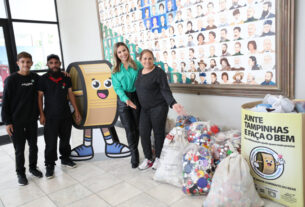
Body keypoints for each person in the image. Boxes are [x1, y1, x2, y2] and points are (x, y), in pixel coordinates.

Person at [135, 49, 184, 170]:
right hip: (145, 109)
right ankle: (148, 158)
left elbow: (165, 90)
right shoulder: (139, 72)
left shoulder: (159, 72)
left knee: (158, 133)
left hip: (158, 107)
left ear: (153, 59)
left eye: (150, 58)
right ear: (140, 60)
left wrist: (173, 103)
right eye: (145, 58)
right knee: (144, 132)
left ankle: (158, 158)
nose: (147, 61)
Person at [1, 52, 43, 185]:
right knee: (19, 149)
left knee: (33, 146)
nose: (26, 64)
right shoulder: (11, 80)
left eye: (28, 62)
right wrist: (7, 122)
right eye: (23, 62)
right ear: (18, 63)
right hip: (16, 121)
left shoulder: (35, 78)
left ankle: (32, 168)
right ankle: (20, 173)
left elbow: (48, 80)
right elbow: (5, 102)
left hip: (31, 119)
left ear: (31, 63)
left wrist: (64, 74)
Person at [38, 54, 80, 179]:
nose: (54, 65)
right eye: (51, 63)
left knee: (65, 140)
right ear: (47, 65)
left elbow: (70, 94)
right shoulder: (43, 79)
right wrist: (41, 114)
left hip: (65, 114)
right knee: (50, 143)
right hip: (50, 116)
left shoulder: (66, 78)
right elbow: (39, 97)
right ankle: (49, 165)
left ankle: (65, 158)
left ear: (60, 63)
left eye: (56, 62)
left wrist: (76, 110)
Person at [111, 42, 143, 169]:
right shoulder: (115, 70)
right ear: (116, 55)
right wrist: (126, 100)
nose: (123, 53)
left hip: (136, 97)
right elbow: (117, 87)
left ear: (128, 51)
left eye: (124, 50)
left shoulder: (137, 65)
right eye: (119, 52)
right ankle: (134, 155)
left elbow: (146, 74)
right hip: (123, 99)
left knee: (137, 128)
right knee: (129, 129)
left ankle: (136, 150)